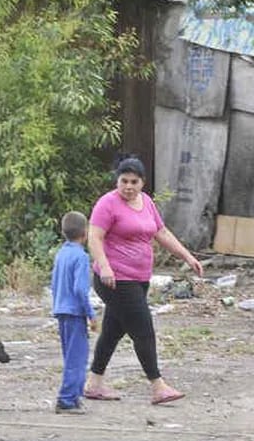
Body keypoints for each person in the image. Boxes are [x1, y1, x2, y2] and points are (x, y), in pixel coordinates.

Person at [84, 155, 203, 405]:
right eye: (123, 181)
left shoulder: (146, 202)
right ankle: (158, 386)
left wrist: (188, 257)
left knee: (113, 331)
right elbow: (94, 237)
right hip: (115, 279)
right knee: (143, 330)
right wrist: (104, 267)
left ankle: (94, 384)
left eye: (133, 182)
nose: (128, 186)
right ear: (117, 180)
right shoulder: (107, 204)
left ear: (143, 183)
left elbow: (161, 232)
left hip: (139, 279)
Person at [51, 211, 97, 414]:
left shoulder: (61, 254)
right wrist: (91, 313)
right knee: (77, 359)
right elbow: (80, 289)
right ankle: (67, 400)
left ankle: (75, 397)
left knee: (70, 356)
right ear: (85, 233)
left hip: (61, 310)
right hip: (75, 312)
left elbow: (54, 284)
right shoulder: (81, 257)